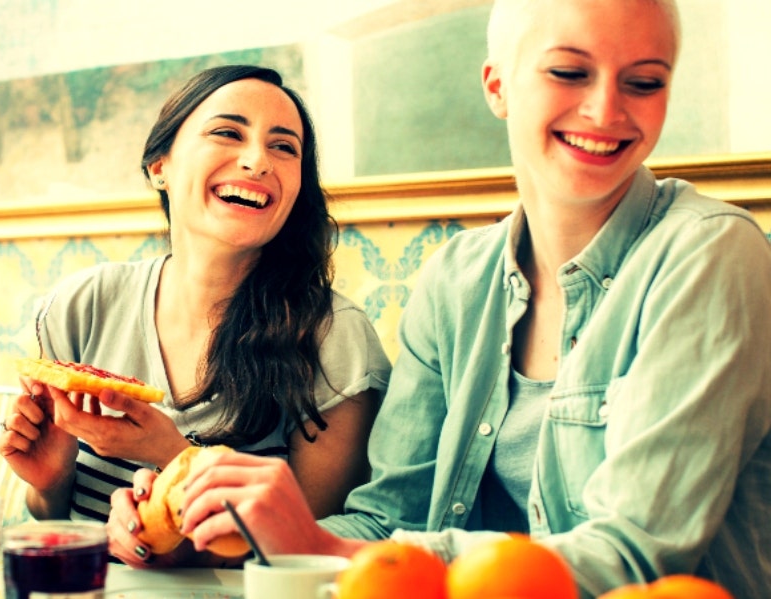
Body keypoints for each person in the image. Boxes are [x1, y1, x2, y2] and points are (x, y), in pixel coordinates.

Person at [107, 0, 771, 595]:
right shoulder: (455, 279)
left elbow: (633, 559)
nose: (606, 109)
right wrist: (220, 534)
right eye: (569, 72)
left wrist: (324, 549)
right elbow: (390, 517)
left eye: (645, 82)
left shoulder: (712, 255)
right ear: (497, 86)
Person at [0, 65, 391, 566]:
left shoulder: (334, 338)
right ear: (159, 165)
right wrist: (53, 482)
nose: (257, 161)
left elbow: (311, 554)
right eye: (228, 133)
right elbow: (52, 524)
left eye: (284, 147)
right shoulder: (81, 306)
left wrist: (174, 454)